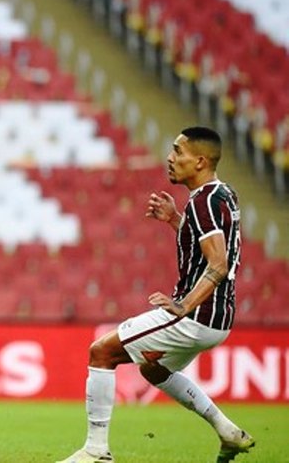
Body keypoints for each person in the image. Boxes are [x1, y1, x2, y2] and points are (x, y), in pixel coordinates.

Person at [57, 126, 254, 463]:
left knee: (101, 352)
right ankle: (227, 431)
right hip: (219, 318)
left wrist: (183, 306)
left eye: (178, 151)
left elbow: (218, 264)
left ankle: (96, 451)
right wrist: (177, 221)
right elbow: (210, 248)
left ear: (200, 161)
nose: (170, 157)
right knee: (152, 369)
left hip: (195, 314)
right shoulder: (223, 194)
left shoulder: (203, 202)